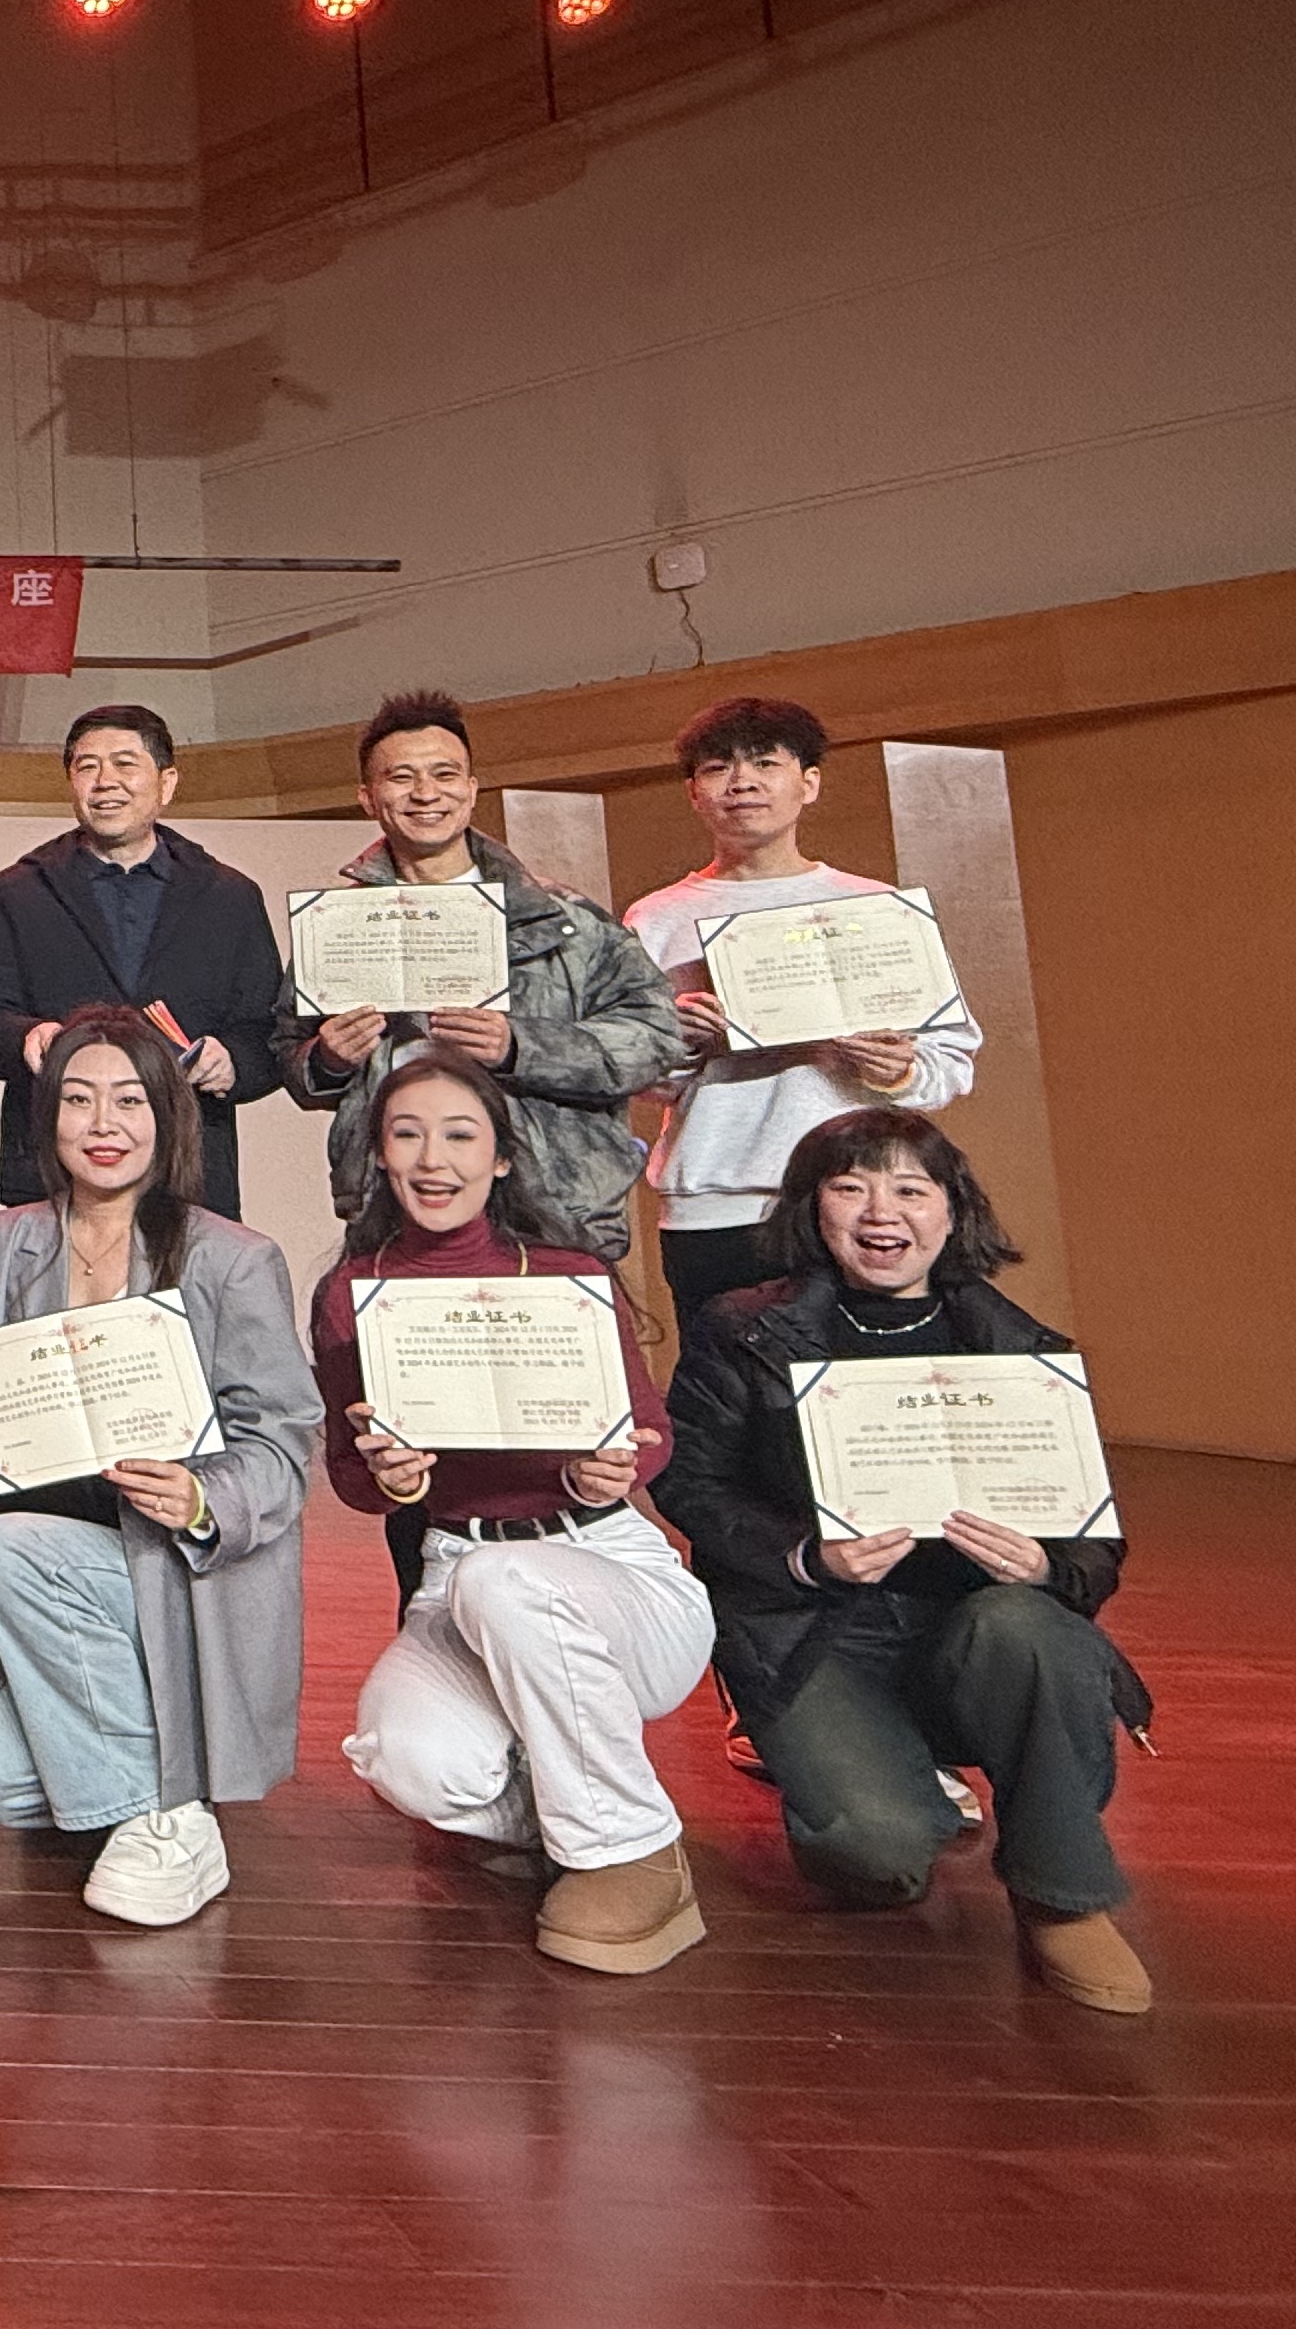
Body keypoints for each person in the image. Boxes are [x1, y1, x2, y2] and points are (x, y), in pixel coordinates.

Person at [661, 1109, 1156, 2015]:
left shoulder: (1026, 1351)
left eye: (909, 1189)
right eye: (849, 1187)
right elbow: (690, 1484)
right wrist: (805, 1556)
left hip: (973, 1629)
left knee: (1029, 1627)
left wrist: (1044, 1567)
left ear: (952, 1209)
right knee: (877, 1858)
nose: (879, 1212)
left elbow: (1096, 1540)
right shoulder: (744, 1330)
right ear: (812, 1208)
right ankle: (881, 1779)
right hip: (817, 1631)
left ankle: (1063, 1895)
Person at [277, 689, 682, 1612]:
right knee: (410, 1449)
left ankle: (575, 1647)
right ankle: (438, 1640)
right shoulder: (339, 927)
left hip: (557, 1216)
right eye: (401, 777)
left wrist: (524, 1045)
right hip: (401, 1227)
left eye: (444, 774)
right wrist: (325, 1057)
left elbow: (657, 1037)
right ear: (369, 796)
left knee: (564, 1441)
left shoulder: (563, 919)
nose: (424, 793)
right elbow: (291, 1060)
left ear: (473, 786)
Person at [312, 1050, 712, 1975]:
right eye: (407, 1135)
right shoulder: (352, 1293)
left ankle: (633, 1852)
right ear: (379, 1155)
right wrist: (398, 1482)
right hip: (457, 1565)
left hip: (604, 1563)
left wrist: (606, 1472)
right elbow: (350, 1475)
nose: (433, 1159)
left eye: (460, 1136)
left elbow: (651, 1433)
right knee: (403, 1757)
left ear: (499, 1158)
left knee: (508, 1581)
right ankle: (572, 1805)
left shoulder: (567, 1273)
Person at [0, 1008, 315, 1927]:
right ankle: (156, 1792)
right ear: (47, 1117)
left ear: (168, 1115)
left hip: (173, 1569)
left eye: (130, 1101)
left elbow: (285, 1440)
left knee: (11, 1548)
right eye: (78, 1100)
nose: (103, 1124)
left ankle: (163, 1821)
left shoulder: (234, 1258)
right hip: (45, 1576)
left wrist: (203, 1497)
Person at [626, 697, 982, 1330]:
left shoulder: (878, 908)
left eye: (766, 763)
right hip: (715, 1200)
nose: (742, 782)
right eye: (718, 768)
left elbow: (950, 1059)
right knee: (728, 1376)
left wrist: (900, 1071)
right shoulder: (655, 918)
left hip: (859, 1197)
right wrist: (679, 1043)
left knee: (857, 1376)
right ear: (694, 792)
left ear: (809, 783)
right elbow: (633, 1075)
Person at [0, 704, 287, 1220]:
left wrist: (231, 1060)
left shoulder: (229, 895)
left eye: (125, 764)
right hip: (53, 1168)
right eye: (87, 766)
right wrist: (27, 1037)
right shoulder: (20, 890)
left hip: (187, 1167)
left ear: (167, 783)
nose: (105, 782)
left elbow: (269, 1031)